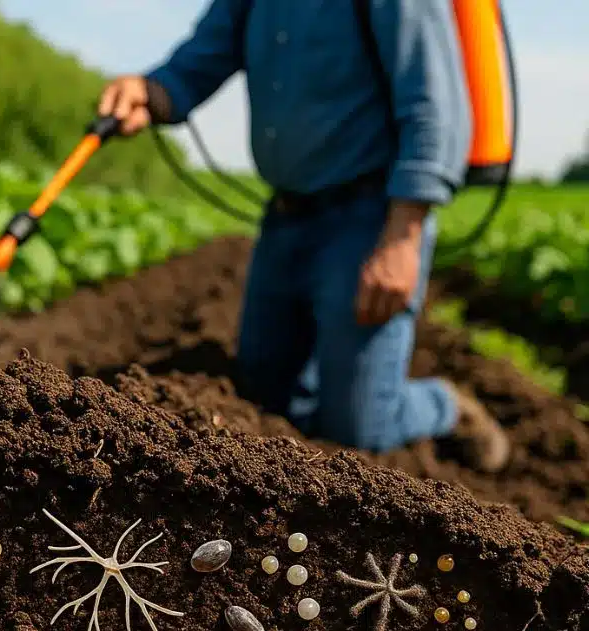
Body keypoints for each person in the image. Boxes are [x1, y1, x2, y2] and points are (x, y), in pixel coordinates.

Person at [97, 0, 511, 471]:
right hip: (285, 218)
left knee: (359, 428)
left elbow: (434, 101)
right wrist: (150, 91)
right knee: (262, 397)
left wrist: (402, 237)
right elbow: (203, 56)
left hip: (369, 220)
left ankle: (446, 406)